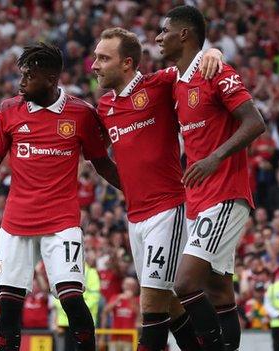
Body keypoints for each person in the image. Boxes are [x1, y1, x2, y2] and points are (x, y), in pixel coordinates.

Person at [0, 42, 120, 351]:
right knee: (10, 304)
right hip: (16, 222)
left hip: (62, 220)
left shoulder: (81, 113)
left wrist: (139, 191)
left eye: (30, 74)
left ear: (51, 79)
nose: (22, 80)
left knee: (71, 298)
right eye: (22, 73)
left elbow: (103, 164)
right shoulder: (8, 109)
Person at [92, 27, 223, 351]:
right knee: (170, 304)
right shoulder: (104, 108)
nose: (94, 64)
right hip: (135, 217)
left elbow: (193, 64)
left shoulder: (158, 84)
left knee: (150, 304)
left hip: (167, 210)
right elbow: (101, 160)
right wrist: (131, 186)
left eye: (103, 58)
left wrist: (214, 52)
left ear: (127, 64)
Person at [156, 5, 266, 350]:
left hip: (224, 194)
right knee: (218, 290)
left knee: (185, 283)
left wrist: (216, 157)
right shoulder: (177, 80)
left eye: (164, 31)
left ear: (184, 34)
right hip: (199, 198)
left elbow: (255, 122)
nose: (158, 38)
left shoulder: (216, 71)